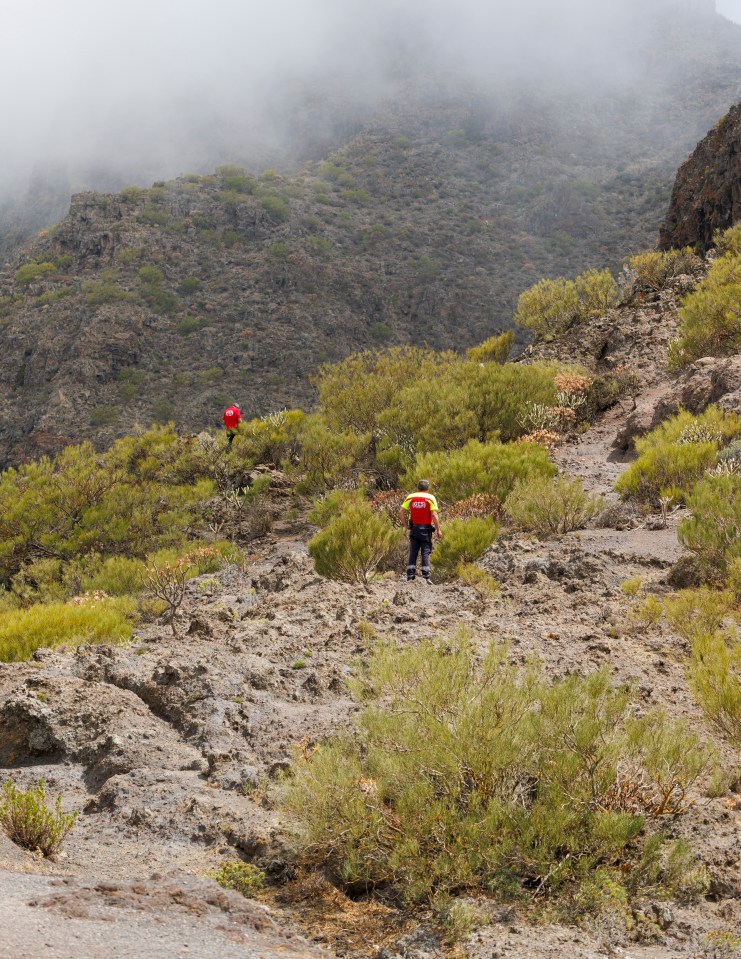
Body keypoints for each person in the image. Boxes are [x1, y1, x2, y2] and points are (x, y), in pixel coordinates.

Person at [398, 480, 442, 584]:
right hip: (425, 529)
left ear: (418, 488)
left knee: (413, 551)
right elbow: (434, 515)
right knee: (425, 551)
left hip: (414, 528)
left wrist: (406, 525)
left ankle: (410, 575)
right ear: (427, 489)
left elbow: (401, 511)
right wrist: (438, 529)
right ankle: (426, 577)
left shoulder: (410, 497)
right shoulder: (430, 498)